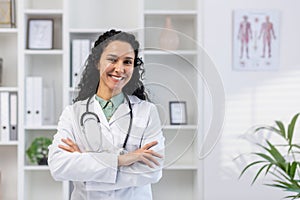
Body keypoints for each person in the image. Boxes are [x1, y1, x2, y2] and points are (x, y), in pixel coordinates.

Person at [48, 29, 165, 200]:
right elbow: (58, 166)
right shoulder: (72, 113)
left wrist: (86, 166)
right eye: (112, 59)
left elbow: (153, 171)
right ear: (97, 62)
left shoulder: (146, 111)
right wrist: (122, 160)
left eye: (127, 62)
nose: (120, 68)